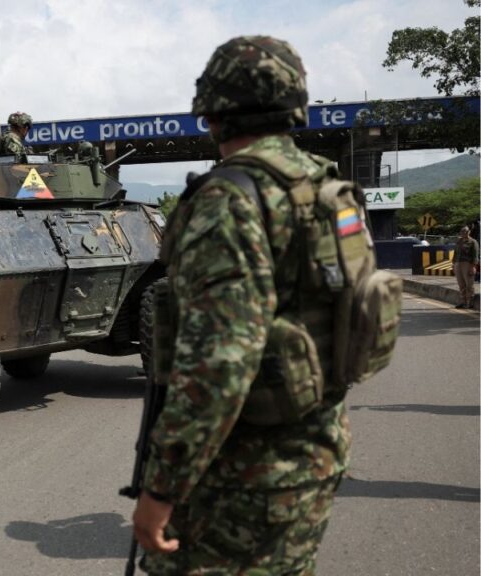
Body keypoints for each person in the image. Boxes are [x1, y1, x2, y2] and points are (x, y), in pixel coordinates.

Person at [131, 36, 350, 574]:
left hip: (237, 483)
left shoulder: (227, 202)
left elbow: (221, 365)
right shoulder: (326, 187)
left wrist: (161, 490)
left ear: (211, 112)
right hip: (314, 455)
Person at [453, 226, 479, 308]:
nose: (464, 233)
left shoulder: (473, 242)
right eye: (462, 231)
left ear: (469, 232)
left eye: (466, 231)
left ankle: (469, 302)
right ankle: (463, 301)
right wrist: (453, 263)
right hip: (458, 263)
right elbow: (455, 253)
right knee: (461, 284)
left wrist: (473, 266)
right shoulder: (459, 241)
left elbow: (475, 256)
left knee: (469, 284)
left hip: (467, 264)